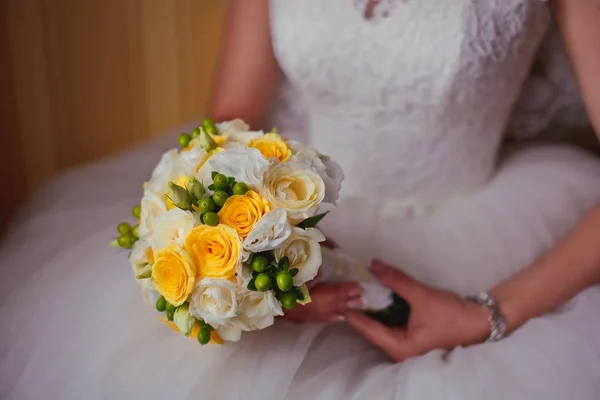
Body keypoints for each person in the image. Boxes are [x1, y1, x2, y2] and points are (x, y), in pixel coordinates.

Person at [1, 0, 600, 399]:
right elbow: (229, 123)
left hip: (491, 236)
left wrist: (484, 314)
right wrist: (251, 265)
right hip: (295, 225)